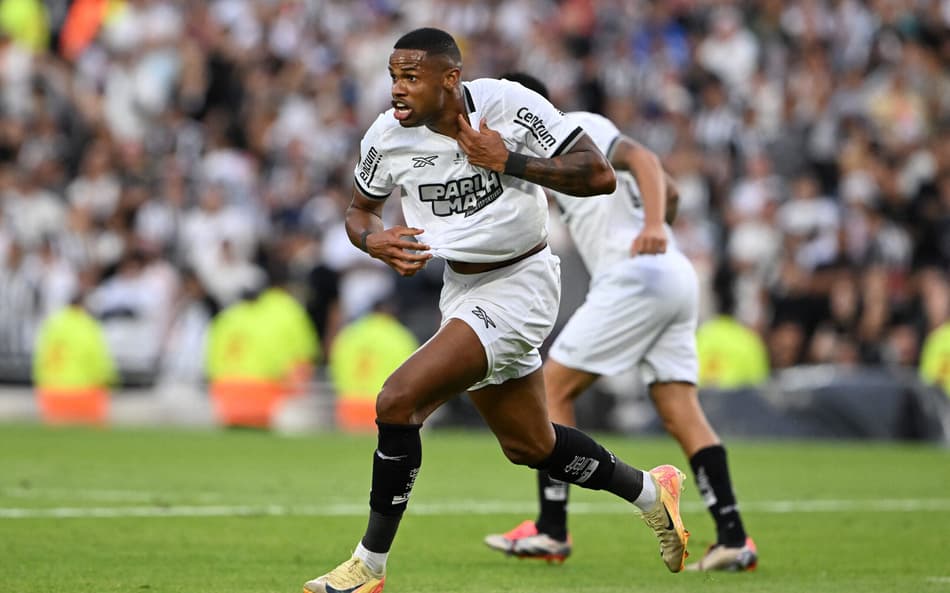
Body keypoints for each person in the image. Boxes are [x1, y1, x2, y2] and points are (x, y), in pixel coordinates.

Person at [303, 28, 691, 593]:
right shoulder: (386, 138)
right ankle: (652, 492)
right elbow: (359, 211)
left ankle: (369, 565)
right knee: (531, 446)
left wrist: (508, 160)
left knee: (397, 400)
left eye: (411, 77)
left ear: (450, 78)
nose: (397, 89)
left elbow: (600, 175)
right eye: (393, 76)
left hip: (522, 282)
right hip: (461, 288)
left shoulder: (509, 105)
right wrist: (373, 242)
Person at [482, 73, 757, 572]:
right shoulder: (539, 162)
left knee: (551, 390)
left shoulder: (576, 127)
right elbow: (669, 191)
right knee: (679, 410)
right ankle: (734, 537)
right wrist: (657, 229)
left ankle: (551, 529)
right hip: (671, 273)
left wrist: (651, 228)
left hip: (634, 276)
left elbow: (648, 162)